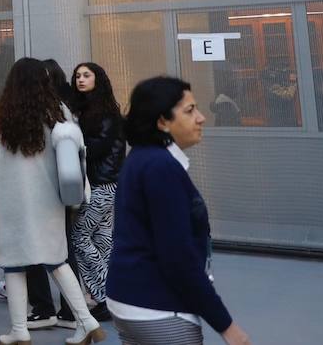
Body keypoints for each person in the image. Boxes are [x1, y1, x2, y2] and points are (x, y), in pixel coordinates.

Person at [107, 77, 253, 345]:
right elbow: (178, 259)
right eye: (189, 111)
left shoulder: (141, 157)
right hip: (157, 307)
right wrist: (228, 328)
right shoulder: (160, 167)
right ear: (163, 121)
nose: (201, 118)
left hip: (128, 298)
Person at [0, 58, 103, 345]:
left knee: (13, 264)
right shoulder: (59, 111)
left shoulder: (0, 112)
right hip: (49, 201)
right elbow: (76, 155)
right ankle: (86, 321)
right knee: (57, 260)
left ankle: (19, 330)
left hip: (11, 200)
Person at [69, 62, 124, 316]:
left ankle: (104, 296)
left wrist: (71, 141)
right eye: (78, 76)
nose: (80, 79)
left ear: (97, 79)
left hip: (101, 184)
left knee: (80, 238)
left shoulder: (103, 113)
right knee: (102, 240)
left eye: (86, 75)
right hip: (106, 183)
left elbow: (97, 148)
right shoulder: (95, 109)